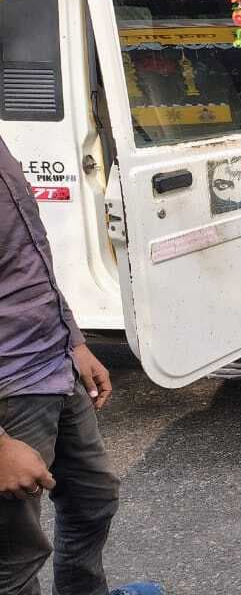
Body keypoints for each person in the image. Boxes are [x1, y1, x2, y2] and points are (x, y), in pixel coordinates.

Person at [0, 135, 161, 595]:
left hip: (54, 362)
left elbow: (30, 260)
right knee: (13, 559)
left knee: (92, 500)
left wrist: (74, 342)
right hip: (11, 391)